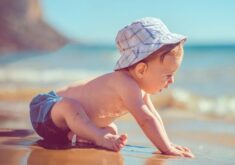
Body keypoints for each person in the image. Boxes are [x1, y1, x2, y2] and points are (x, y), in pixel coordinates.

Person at [29, 17, 194, 158]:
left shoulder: (139, 89)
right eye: (167, 75)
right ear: (141, 69)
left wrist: (167, 143)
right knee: (70, 106)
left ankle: (86, 137)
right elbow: (145, 120)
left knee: (111, 129)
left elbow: (154, 117)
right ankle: (96, 137)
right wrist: (166, 150)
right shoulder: (125, 83)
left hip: (68, 129)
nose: (172, 81)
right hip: (48, 111)